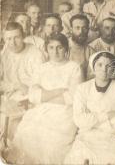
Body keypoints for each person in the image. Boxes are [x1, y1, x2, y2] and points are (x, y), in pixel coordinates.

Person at [9, 33, 83, 164]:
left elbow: (72, 97)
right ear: (47, 49)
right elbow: (33, 95)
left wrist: (44, 96)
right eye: (51, 47)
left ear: (66, 49)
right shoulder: (41, 68)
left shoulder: (74, 67)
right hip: (40, 110)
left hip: (64, 112)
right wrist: (59, 90)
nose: (55, 51)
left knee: (52, 143)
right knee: (27, 133)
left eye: (59, 47)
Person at [64, 51, 115, 165]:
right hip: (87, 137)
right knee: (77, 159)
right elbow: (79, 120)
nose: (104, 69)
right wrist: (106, 116)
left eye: (109, 66)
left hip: (112, 137)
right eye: (100, 65)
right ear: (93, 67)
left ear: (113, 68)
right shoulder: (82, 89)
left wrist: (91, 120)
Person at [0, 22, 45, 139]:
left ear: (23, 36)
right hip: (8, 96)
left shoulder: (35, 53)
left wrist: (26, 90)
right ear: (4, 39)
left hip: (31, 97)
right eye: (8, 39)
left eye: (16, 37)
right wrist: (15, 86)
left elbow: (41, 81)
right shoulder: (3, 55)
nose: (12, 42)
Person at [68, 14, 95, 79]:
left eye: (84, 28)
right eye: (77, 28)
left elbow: (91, 76)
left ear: (88, 30)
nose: (81, 31)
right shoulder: (62, 47)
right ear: (71, 29)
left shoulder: (91, 51)